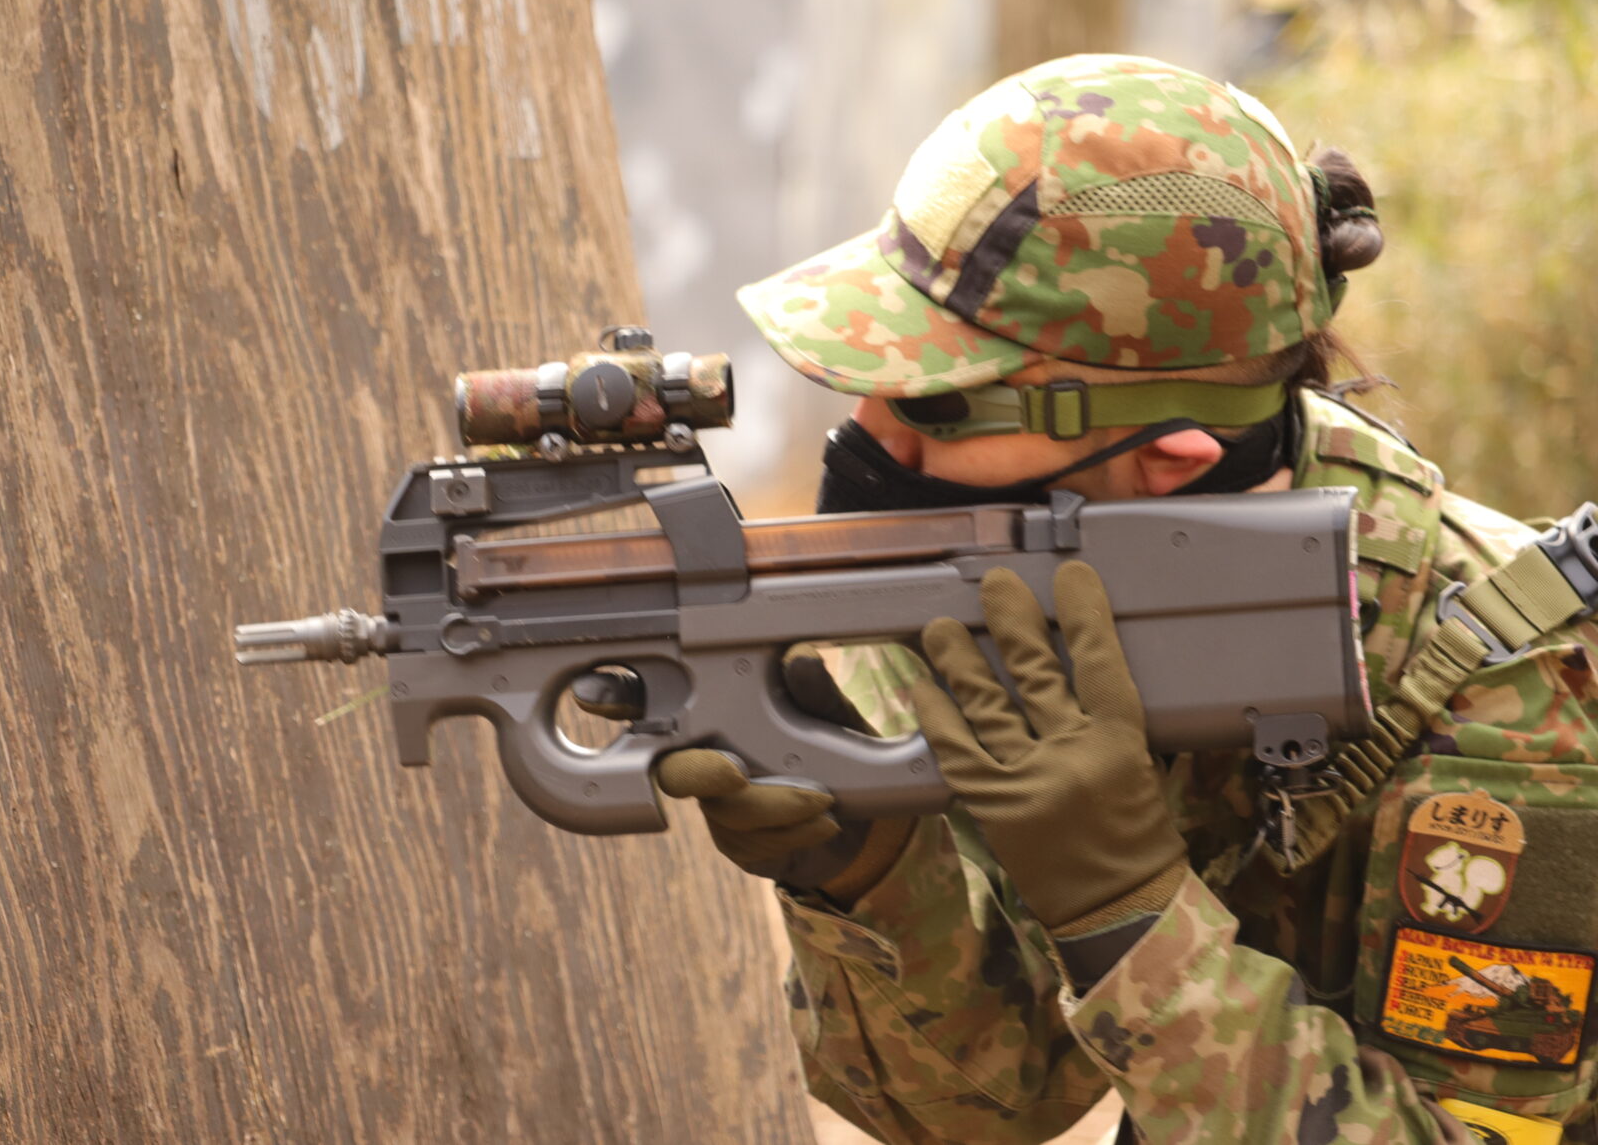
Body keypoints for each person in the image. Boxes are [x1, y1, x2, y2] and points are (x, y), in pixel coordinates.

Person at [603, 55, 1598, 1142]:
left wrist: (1125, 910)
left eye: (935, 404)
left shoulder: (1512, 704)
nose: (868, 431)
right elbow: (985, 1110)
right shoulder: (1001, 581)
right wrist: (871, 869)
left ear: (1169, 456)